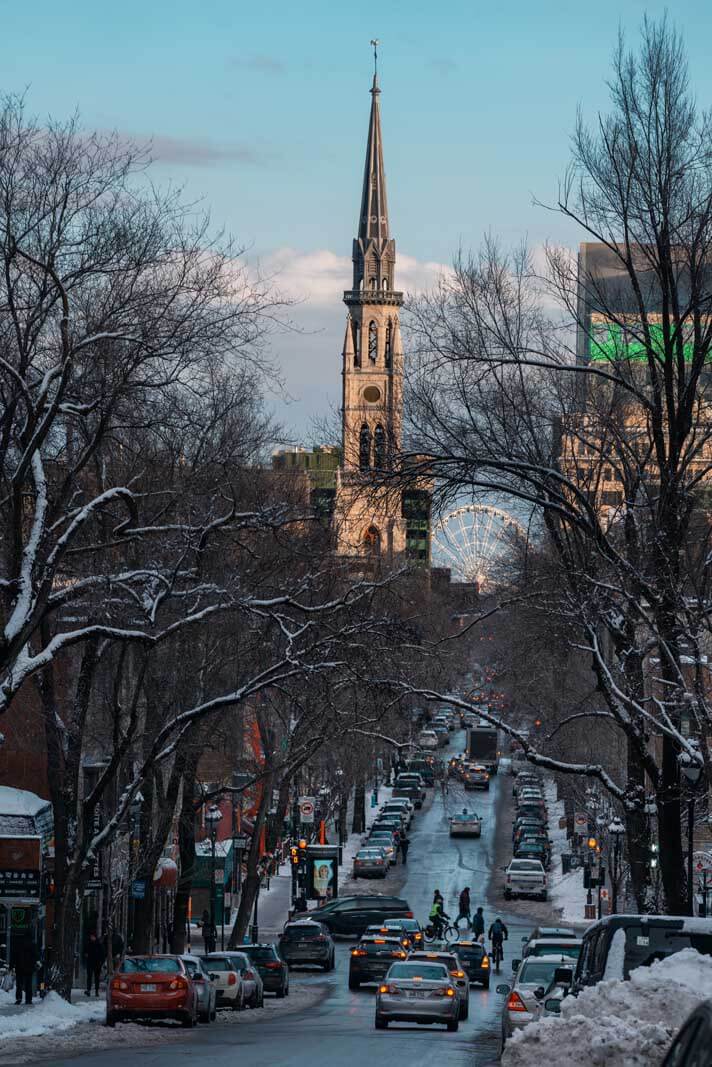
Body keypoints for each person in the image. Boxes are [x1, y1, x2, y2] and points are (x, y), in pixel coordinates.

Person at [13, 933, 39, 1006]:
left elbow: (15, 956)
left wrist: (13, 965)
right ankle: (28, 999)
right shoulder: (32, 945)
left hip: (19, 968)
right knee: (28, 984)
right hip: (29, 968)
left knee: (19, 985)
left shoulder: (19, 945)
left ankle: (19, 999)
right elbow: (35, 956)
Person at [84, 931, 105, 997]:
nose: (92, 938)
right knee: (89, 977)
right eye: (91, 937)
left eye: (93, 936)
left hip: (97, 963)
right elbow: (85, 951)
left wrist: (101, 962)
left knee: (96, 978)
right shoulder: (88, 943)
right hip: (90, 962)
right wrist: (86, 955)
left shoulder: (99, 944)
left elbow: (102, 954)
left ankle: (96, 991)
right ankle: (88, 990)